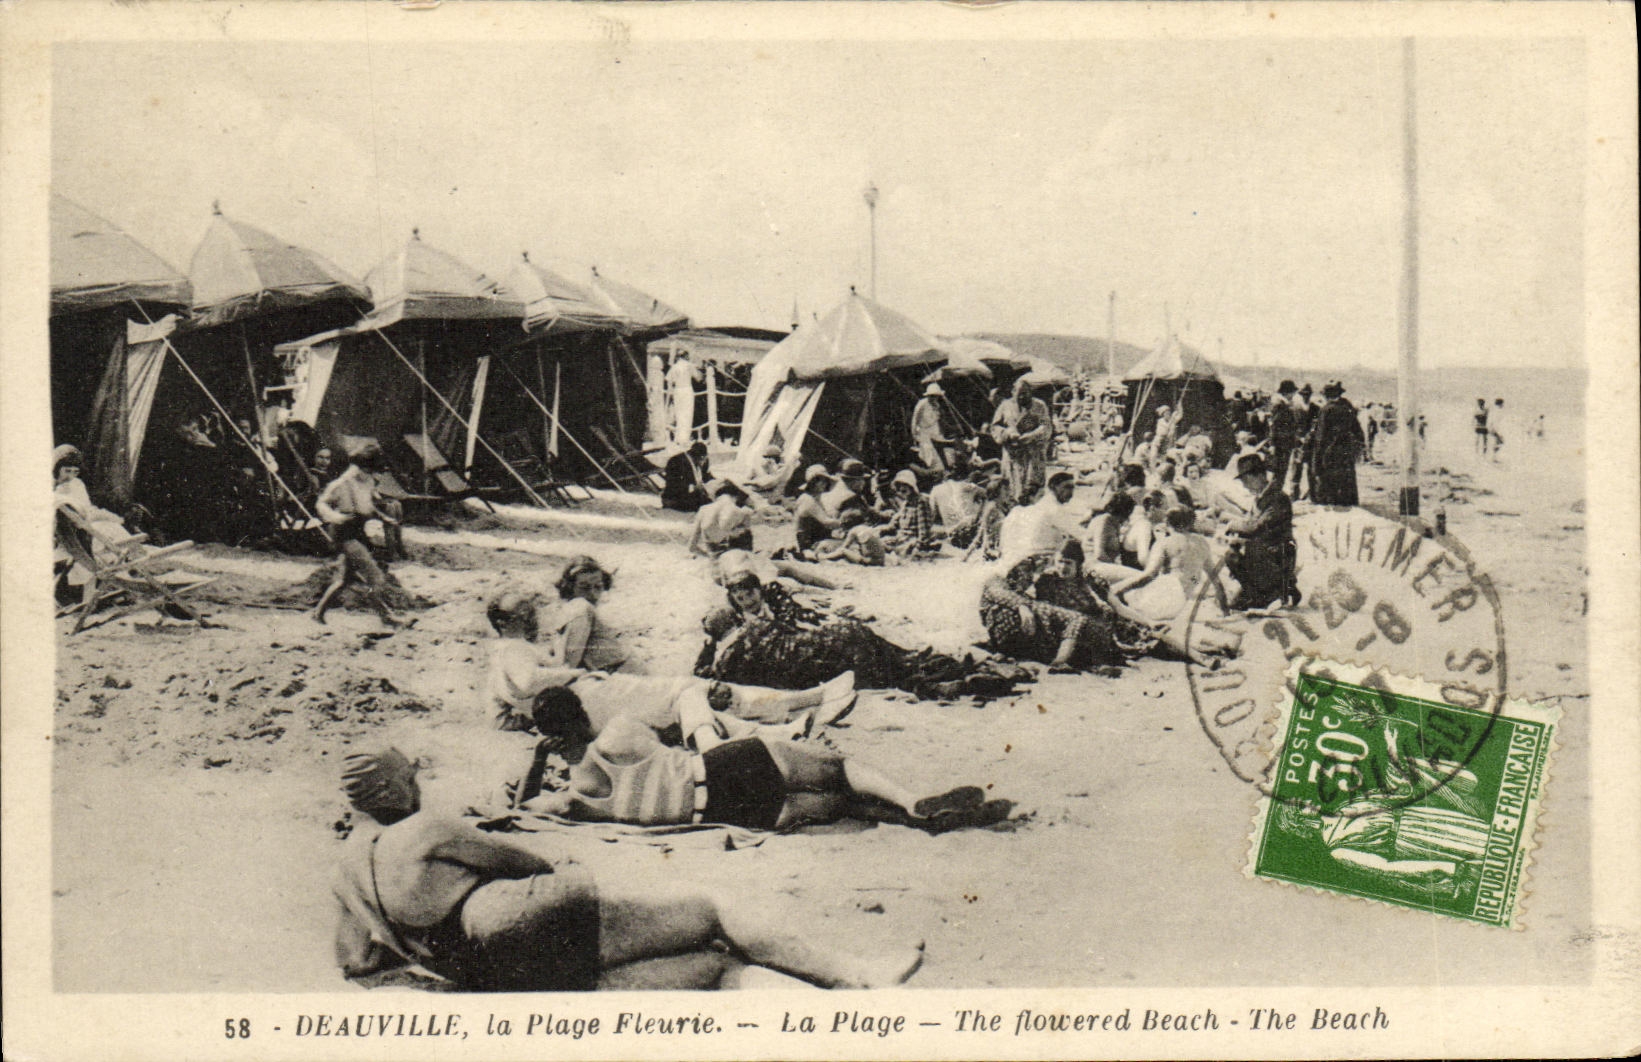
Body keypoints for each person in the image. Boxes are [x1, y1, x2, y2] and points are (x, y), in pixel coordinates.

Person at [333, 749, 927, 991]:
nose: (418, 786)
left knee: (712, 965)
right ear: (389, 787)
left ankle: (826, 1009)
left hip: (489, 970)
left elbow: (356, 962)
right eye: (411, 778)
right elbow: (527, 862)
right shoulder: (423, 829)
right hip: (524, 918)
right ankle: (856, 977)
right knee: (712, 911)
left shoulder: (345, 874)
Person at [516, 689, 1007, 834]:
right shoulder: (620, 730)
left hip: (731, 815)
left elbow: (524, 809)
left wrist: (538, 766)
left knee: (837, 805)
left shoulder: (575, 797)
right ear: (579, 712)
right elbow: (670, 735)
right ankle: (912, 803)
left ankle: (907, 821)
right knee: (836, 768)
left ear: (548, 738)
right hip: (728, 769)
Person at [485, 590, 854, 738]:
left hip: (591, 704)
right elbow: (529, 681)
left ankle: (799, 707)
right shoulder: (512, 649)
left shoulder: (509, 651)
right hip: (592, 698)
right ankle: (803, 703)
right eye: (522, 613)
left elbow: (510, 704)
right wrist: (575, 672)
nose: (532, 617)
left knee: (693, 696)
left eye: (531, 610)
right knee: (692, 692)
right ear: (503, 623)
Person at [695, 571, 1028, 700]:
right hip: (835, 638)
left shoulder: (739, 644)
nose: (746, 599)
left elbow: (709, 676)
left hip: (826, 653)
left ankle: (953, 677)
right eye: (739, 597)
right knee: (898, 658)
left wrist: (711, 649)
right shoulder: (752, 628)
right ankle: (962, 667)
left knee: (893, 671)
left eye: (748, 594)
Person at [979, 540, 1155, 671]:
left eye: (1068, 563)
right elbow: (1017, 590)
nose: (1062, 567)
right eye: (1060, 562)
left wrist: (1149, 621)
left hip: (1093, 623)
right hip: (1060, 629)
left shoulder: (1090, 578)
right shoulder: (1047, 579)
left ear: (1078, 565)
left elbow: (1118, 607)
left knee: (1145, 639)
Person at [313, 443, 402, 629]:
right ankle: (386, 616)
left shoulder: (368, 482)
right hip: (344, 532)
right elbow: (321, 504)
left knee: (345, 579)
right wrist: (336, 517)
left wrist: (384, 517)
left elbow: (368, 506)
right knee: (376, 577)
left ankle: (318, 612)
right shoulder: (341, 484)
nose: (371, 474)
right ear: (361, 467)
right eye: (368, 470)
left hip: (359, 531)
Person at [1110, 506, 1214, 621]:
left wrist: (1119, 588)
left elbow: (1149, 575)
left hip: (1170, 599)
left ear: (1167, 522)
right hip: (1187, 597)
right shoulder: (1202, 542)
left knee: (1125, 596)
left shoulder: (1164, 543)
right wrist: (1224, 607)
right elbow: (1211, 576)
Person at [1224, 453, 1296, 611]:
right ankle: (1253, 592)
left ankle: (1272, 592)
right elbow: (1250, 522)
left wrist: (1233, 525)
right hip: (1263, 549)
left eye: (1246, 480)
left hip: (1277, 553)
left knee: (1247, 549)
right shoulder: (1260, 497)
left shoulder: (1277, 497)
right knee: (1231, 554)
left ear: (1260, 476)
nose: (1244, 485)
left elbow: (1256, 527)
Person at [538, 555, 627, 671]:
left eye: (598, 587)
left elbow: (567, 666)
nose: (593, 594)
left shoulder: (580, 609)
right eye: (584, 588)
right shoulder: (580, 607)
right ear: (570, 587)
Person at [998, 470, 1082, 566]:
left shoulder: (1036, 507)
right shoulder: (1054, 508)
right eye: (1067, 487)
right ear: (1053, 487)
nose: (1071, 492)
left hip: (1015, 558)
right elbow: (1081, 535)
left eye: (1072, 488)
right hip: (1038, 559)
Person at [990, 376, 1052, 504]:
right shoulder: (1005, 405)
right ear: (1013, 393)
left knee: (1033, 490)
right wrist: (1008, 433)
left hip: (1033, 454)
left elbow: (1046, 426)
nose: (1022, 397)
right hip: (1013, 454)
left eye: (1025, 394)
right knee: (1011, 488)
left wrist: (1033, 435)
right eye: (1018, 395)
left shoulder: (1039, 406)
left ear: (1030, 393)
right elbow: (995, 426)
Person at [1310, 380, 1364, 506]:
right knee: (1347, 483)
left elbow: (1320, 438)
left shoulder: (1326, 410)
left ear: (1326, 395)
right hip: (1346, 452)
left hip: (1330, 453)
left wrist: (1316, 462)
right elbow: (1358, 431)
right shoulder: (1348, 408)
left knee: (1330, 487)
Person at [688, 478, 755, 556]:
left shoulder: (703, 510)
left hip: (715, 560)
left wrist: (709, 557)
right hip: (736, 559)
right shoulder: (741, 512)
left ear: (715, 496)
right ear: (735, 496)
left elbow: (691, 547)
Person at [881, 469, 938, 558]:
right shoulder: (905, 503)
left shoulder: (921, 502)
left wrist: (919, 546)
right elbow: (894, 524)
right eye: (899, 487)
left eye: (904, 486)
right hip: (901, 538)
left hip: (912, 540)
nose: (901, 490)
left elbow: (924, 530)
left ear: (911, 487)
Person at [928, 462, 984, 549]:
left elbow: (930, 518)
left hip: (952, 534)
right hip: (973, 532)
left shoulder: (935, 490)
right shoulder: (969, 486)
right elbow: (990, 494)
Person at [792, 465, 843, 556]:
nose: (824, 484)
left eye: (825, 481)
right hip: (809, 544)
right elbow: (826, 522)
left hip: (815, 540)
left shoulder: (815, 499)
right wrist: (846, 523)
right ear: (812, 483)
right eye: (820, 481)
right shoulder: (807, 500)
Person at [910, 382, 952, 473]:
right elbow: (915, 420)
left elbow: (938, 420)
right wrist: (915, 435)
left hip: (935, 430)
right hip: (924, 432)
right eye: (932, 396)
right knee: (929, 453)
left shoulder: (936, 405)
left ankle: (945, 469)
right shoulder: (921, 404)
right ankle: (934, 471)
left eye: (936, 396)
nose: (934, 398)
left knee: (942, 450)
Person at [661, 441, 712, 513]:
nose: (703, 461)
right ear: (697, 457)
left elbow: (705, 476)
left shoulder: (700, 461)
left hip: (691, 495)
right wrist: (693, 487)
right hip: (674, 498)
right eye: (702, 459)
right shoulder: (676, 461)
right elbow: (673, 485)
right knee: (706, 504)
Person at [1268, 380, 1299, 491]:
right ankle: (1274, 493)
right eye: (1292, 392)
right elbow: (1274, 425)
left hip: (1285, 443)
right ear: (1287, 393)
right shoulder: (1280, 406)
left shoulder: (1285, 405)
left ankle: (1275, 492)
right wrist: (1272, 444)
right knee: (1279, 471)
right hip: (1281, 443)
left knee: (1281, 471)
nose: (1293, 395)